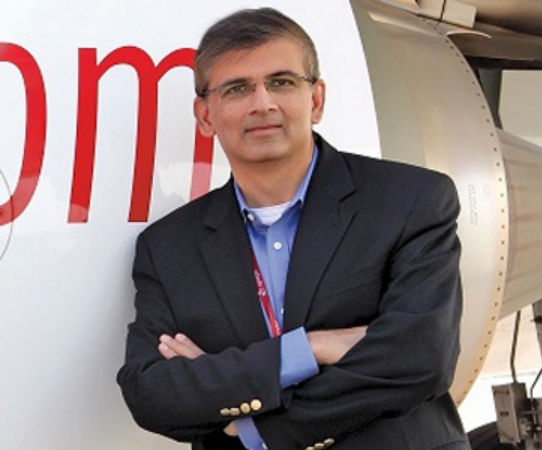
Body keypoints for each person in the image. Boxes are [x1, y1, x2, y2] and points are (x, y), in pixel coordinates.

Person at [117, 7, 470, 450]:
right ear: (205, 116)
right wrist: (308, 349)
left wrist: (252, 424)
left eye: (281, 82)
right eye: (237, 88)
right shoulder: (169, 247)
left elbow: (421, 358)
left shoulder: (410, 200)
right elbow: (151, 393)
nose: (262, 103)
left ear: (316, 100)